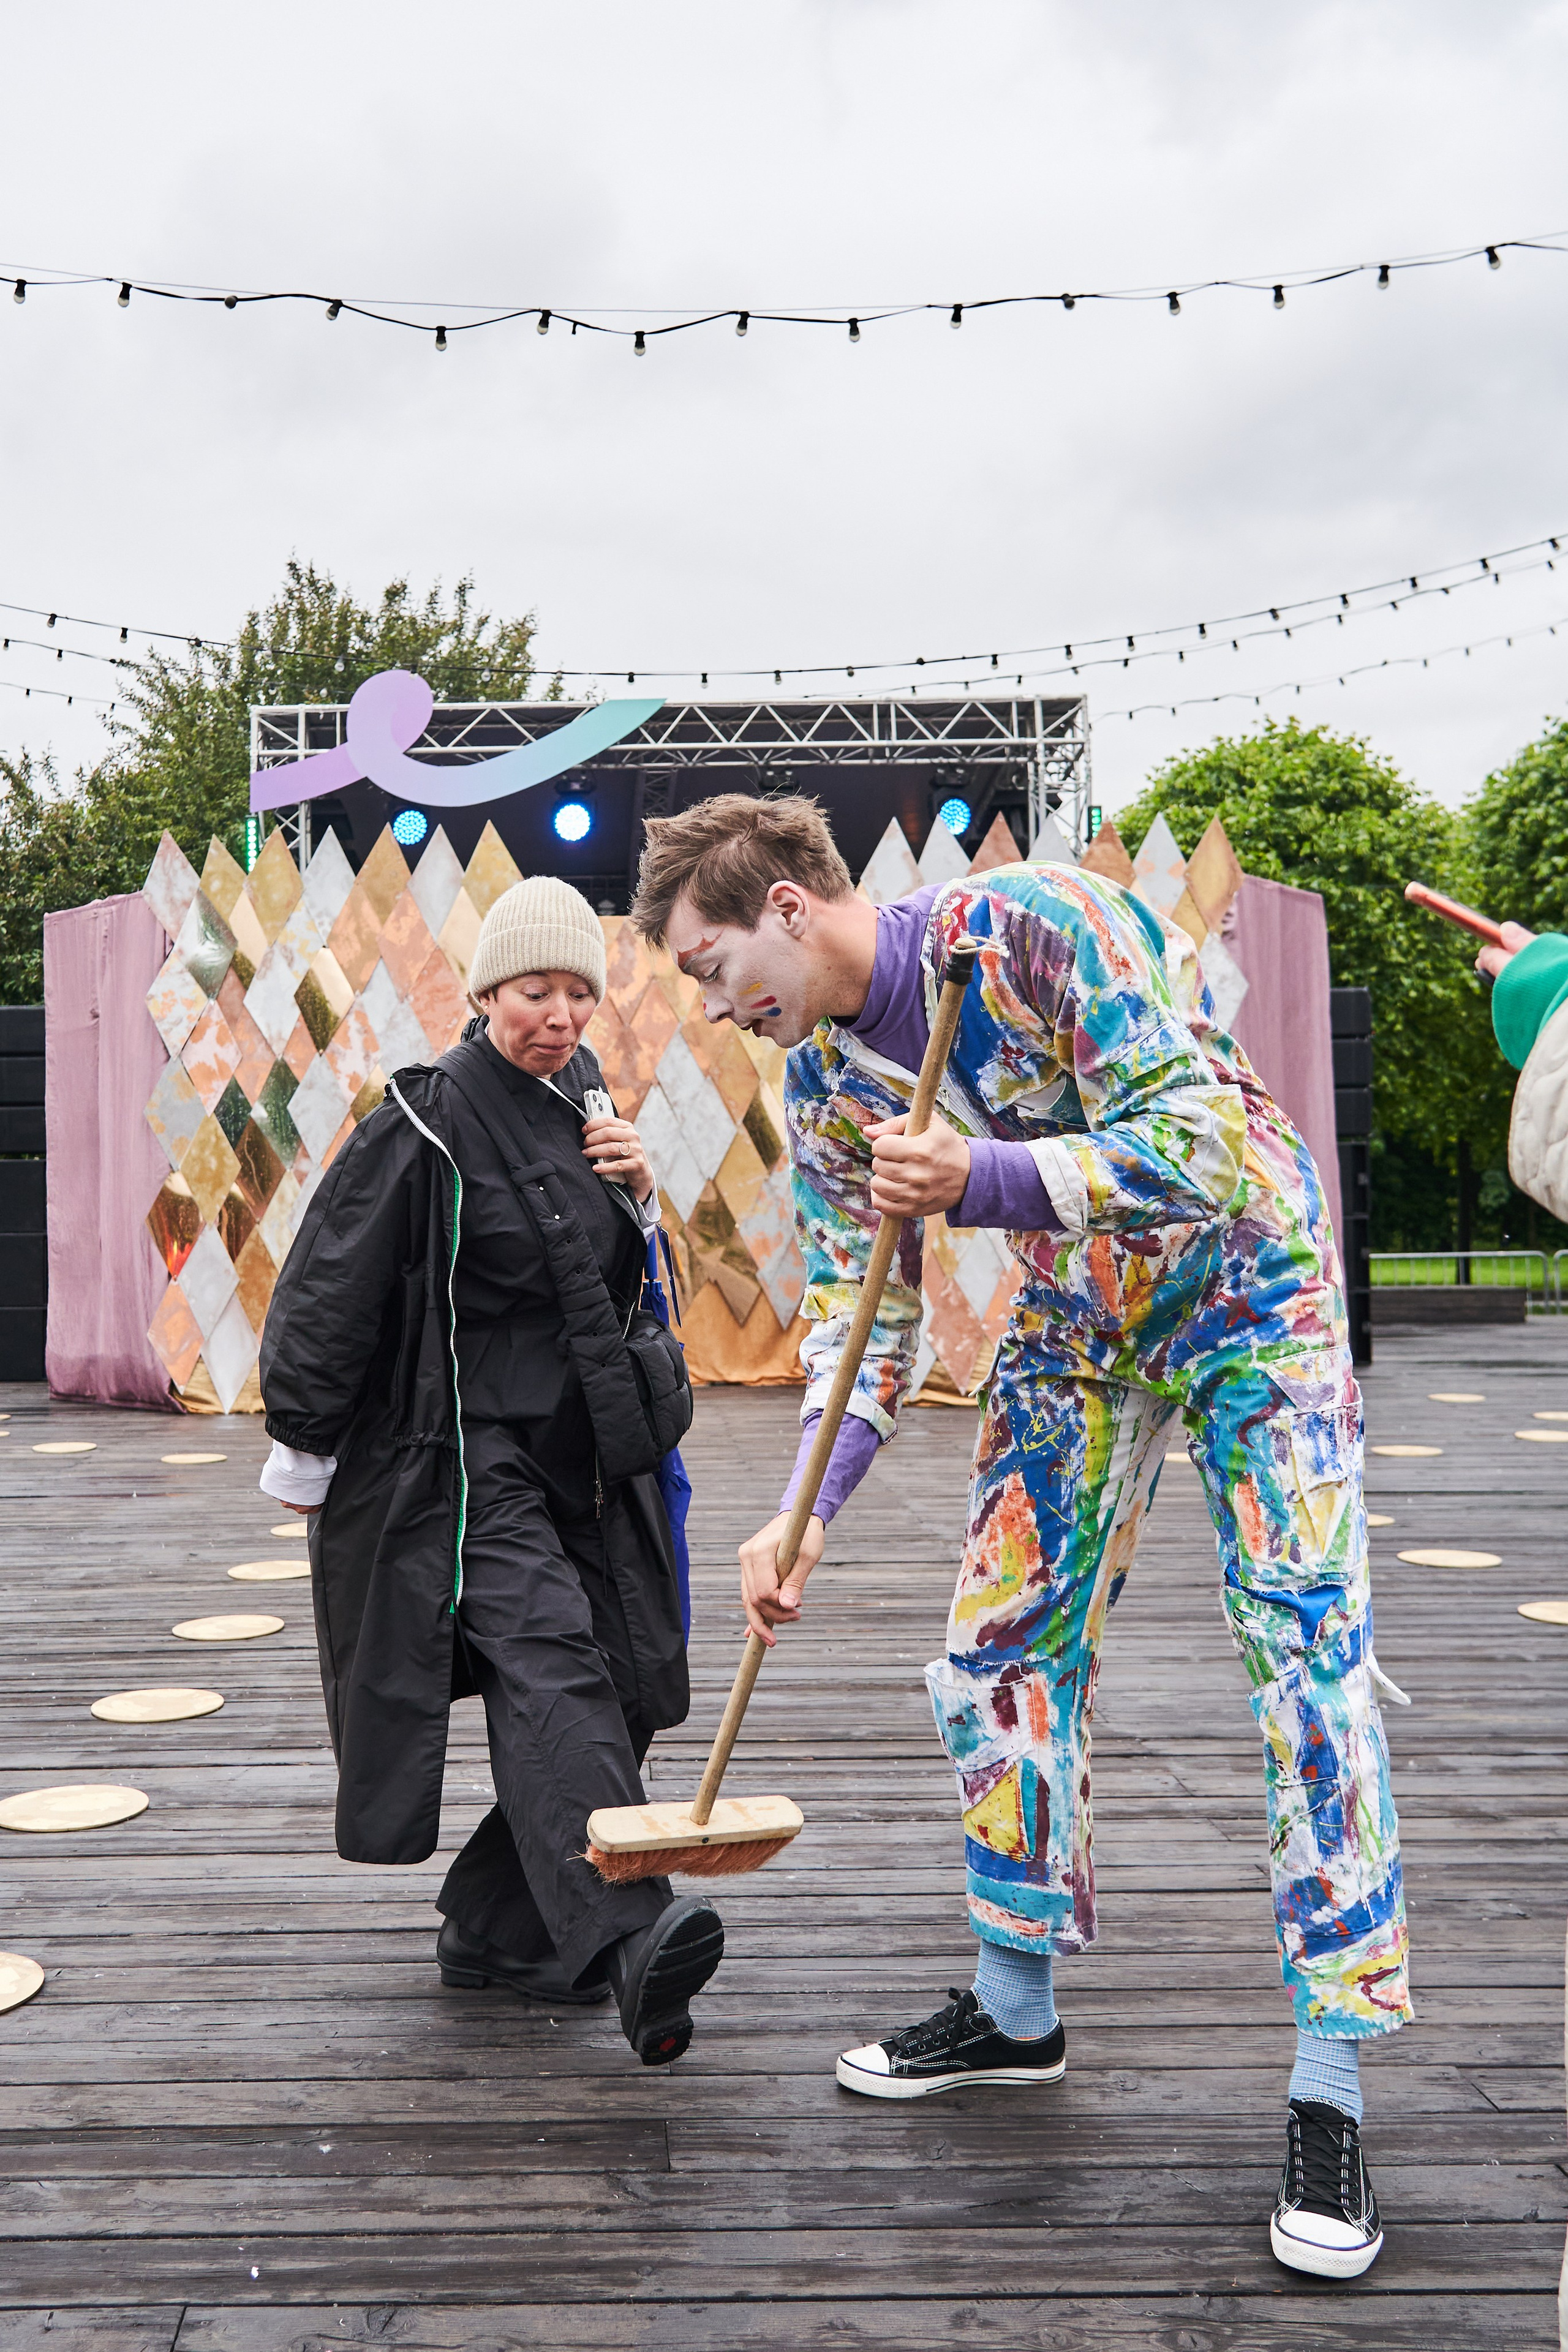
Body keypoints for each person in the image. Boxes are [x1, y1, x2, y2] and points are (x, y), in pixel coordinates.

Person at [631, 793, 1404, 2279]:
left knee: (1306, 1654)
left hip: (1253, 1287)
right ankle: (1012, 2008)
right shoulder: (829, 1094)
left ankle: (1329, 2082)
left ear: (788, 909)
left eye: (709, 959)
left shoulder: (1034, 924)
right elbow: (863, 1322)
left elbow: (1197, 1146)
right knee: (996, 1648)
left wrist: (980, 1179)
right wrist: (801, 1514)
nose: (712, 1002)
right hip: (1080, 1315)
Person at [257, 873, 723, 2067]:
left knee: (625, 1680)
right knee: (553, 1661)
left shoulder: (582, 1101)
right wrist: (302, 1445)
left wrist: (634, 1189)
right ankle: (628, 1941)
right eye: (533, 991)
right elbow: (329, 1281)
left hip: (585, 1451)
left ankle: (498, 1926)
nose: (557, 1014)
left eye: (577, 991)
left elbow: (615, 1283)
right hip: (469, 1459)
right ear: (483, 993)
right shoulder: (424, 1116)